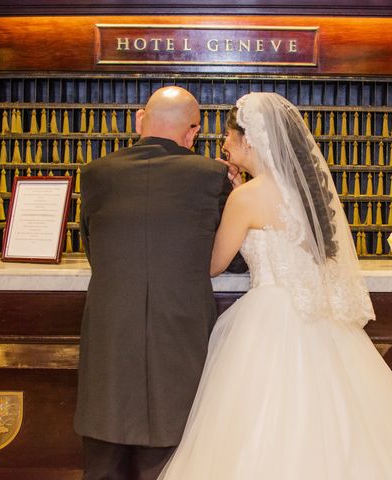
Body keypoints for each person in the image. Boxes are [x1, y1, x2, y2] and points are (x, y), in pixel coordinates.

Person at [157, 92, 392, 479]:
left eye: (229, 137)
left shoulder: (246, 197)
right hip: (319, 318)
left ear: (250, 139)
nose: (224, 146)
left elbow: (214, 263)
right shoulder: (309, 195)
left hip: (265, 320)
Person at [74, 86, 246, 480]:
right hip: (180, 334)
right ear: (193, 132)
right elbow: (231, 257)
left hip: (110, 335)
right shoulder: (211, 175)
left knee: (104, 456)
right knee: (177, 450)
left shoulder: (96, 173)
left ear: (140, 120)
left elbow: (92, 247)